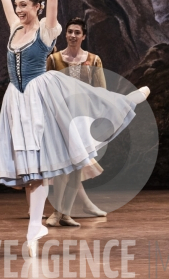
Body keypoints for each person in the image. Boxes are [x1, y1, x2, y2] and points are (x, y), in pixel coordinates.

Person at [0, 0, 149, 257]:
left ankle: (127, 101)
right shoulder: (15, 29)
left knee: (54, 149)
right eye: (17, 6)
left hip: (40, 95)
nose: (19, 10)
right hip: (16, 99)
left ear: (37, 7)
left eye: (24, 5)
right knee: (31, 169)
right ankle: (35, 226)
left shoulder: (46, 30)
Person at [44, 17, 108, 224]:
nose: (72, 35)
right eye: (70, 31)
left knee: (77, 167)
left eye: (77, 32)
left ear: (83, 36)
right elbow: (46, 90)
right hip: (60, 120)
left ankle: (66, 213)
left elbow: (101, 91)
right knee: (64, 166)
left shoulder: (94, 60)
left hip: (83, 121)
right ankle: (56, 213)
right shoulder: (54, 60)